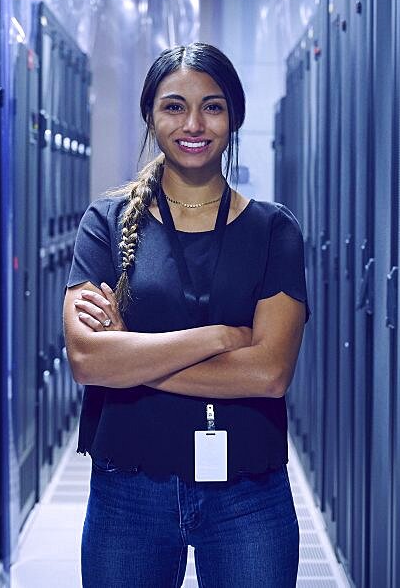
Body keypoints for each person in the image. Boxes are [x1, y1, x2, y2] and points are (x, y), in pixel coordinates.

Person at [62, 42, 311, 588]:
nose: (193, 123)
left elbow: (268, 375)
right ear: (151, 116)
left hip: (248, 495)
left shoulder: (273, 231)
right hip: (129, 490)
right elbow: (87, 360)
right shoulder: (105, 223)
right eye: (174, 106)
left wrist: (133, 355)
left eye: (212, 106)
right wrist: (221, 337)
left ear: (234, 116)